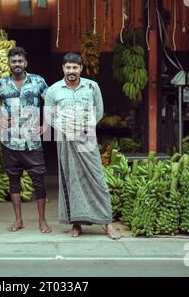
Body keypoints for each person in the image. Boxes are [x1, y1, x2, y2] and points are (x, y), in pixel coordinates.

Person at [43, 53, 121, 239]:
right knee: (71, 179)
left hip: (86, 138)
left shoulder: (91, 87)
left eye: (75, 67)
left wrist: (83, 128)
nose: (71, 71)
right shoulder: (54, 90)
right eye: (68, 68)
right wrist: (65, 129)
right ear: (63, 68)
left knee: (96, 178)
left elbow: (99, 111)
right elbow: (49, 116)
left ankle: (106, 223)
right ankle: (76, 224)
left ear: (81, 69)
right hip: (65, 139)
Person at [0, 47, 51, 233]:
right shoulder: (0, 84)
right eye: (13, 61)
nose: (17, 64)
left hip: (32, 141)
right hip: (10, 141)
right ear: (9, 63)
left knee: (38, 180)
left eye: (20, 61)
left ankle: (42, 221)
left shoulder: (37, 81)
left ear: (25, 63)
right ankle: (18, 220)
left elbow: (50, 100)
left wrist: (46, 124)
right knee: (13, 180)